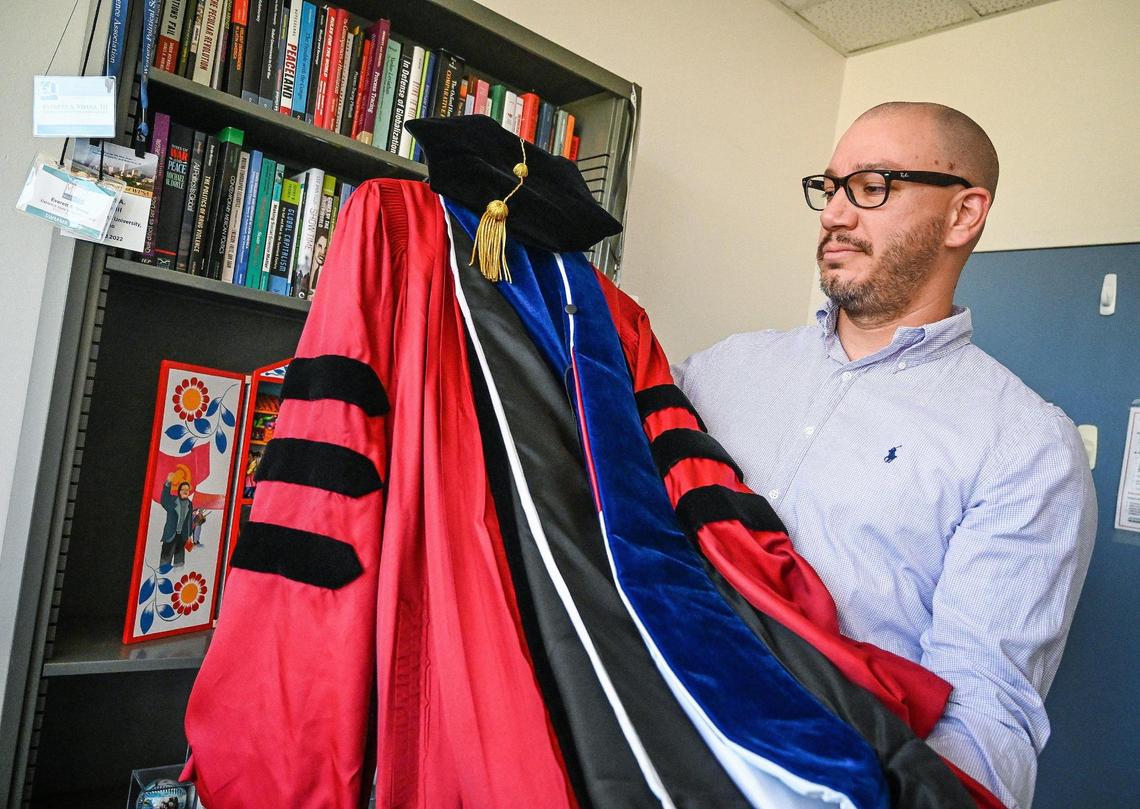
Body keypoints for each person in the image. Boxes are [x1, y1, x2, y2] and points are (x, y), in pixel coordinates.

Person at [674, 101, 1096, 808]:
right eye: (830, 186)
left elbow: (985, 719)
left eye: (871, 187)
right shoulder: (714, 371)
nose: (835, 214)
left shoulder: (1027, 447)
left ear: (964, 215)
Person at [160, 472, 196, 568]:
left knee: (179, 563)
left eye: (187, 490)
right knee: (165, 562)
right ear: (179, 491)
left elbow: (188, 521)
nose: (185, 491)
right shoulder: (172, 500)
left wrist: (189, 535)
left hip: (182, 537)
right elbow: (164, 499)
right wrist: (168, 482)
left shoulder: (190, 504)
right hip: (170, 535)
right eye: (183, 489)